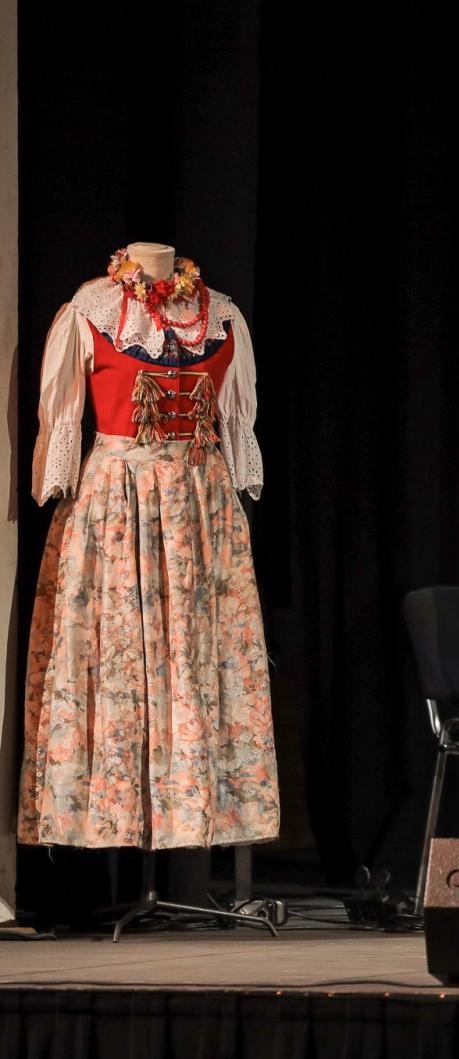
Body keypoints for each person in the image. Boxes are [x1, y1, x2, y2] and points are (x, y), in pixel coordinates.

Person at [19, 243, 277, 851]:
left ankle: (191, 818)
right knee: (118, 660)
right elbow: (62, 419)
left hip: (200, 506)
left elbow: (239, 427)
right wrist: (55, 476)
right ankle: (111, 819)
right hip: (117, 505)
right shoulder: (91, 310)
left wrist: (234, 478)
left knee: (197, 659)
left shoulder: (223, 316)